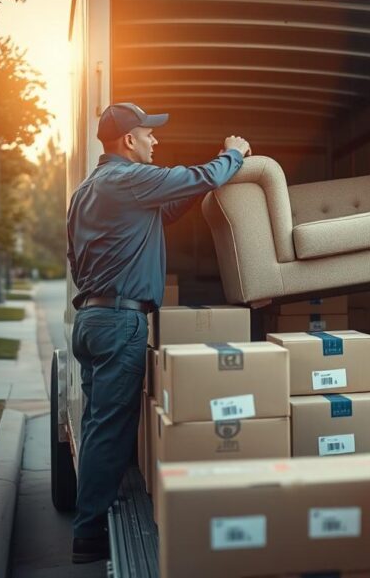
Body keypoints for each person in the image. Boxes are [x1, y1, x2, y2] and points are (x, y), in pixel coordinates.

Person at [66, 102, 251, 563]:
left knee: (96, 424)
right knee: (110, 429)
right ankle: (88, 535)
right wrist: (232, 154)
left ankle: (90, 516)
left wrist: (194, 190)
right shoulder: (128, 179)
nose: (156, 140)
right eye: (149, 133)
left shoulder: (88, 191)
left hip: (90, 320)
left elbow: (162, 213)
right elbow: (196, 177)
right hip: (118, 322)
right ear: (129, 141)